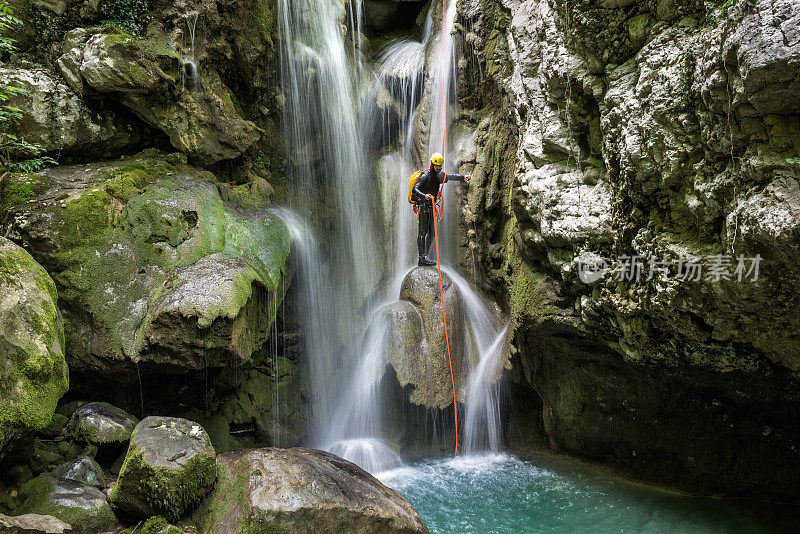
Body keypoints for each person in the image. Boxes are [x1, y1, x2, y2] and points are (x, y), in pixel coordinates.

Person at [412, 152, 471, 267]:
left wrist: (463, 176)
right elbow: (415, 189)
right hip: (423, 206)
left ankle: (425, 255)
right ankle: (421, 258)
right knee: (422, 232)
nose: (438, 168)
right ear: (432, 164)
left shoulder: (439, 175)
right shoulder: (425, 176)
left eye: (440, 165)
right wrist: (425, 196)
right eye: (436, 165)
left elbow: (450, 176)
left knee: (432, 233)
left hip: (431, 207)